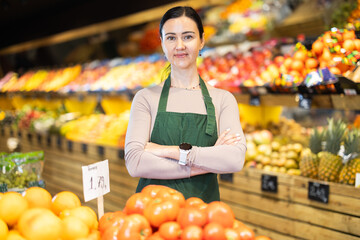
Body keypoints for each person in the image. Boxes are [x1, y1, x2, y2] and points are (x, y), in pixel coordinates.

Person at [124, 6, 246, 203]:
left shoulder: (223, 100)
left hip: (202, 218)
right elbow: (135, 163)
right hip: (152, 215)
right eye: (171, 38)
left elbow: (234, 159)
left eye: (188, 37)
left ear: (202, 41)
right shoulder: (145, 98)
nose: (179, 45)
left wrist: (168, 151)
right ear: (162, 43)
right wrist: (207, 162)